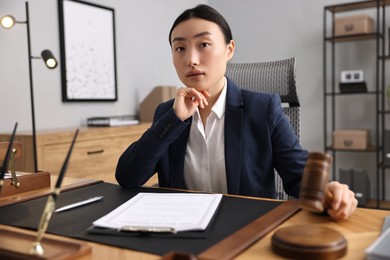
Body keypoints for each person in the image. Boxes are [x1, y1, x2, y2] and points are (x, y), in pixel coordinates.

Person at [116, 4, 357, 220]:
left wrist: (329, 190)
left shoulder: (264, 109)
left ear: (229, 49)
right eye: (180, 48)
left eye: (204, 45)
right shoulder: (168, 113)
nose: (191, 59)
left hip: (246, 232)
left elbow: (299, 176)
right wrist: (174, 119)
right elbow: (128, 177)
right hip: (182, 235)